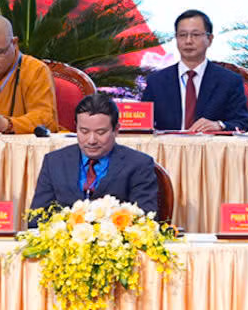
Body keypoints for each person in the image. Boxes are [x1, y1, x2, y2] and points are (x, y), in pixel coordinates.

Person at [30, 93, 162, 217]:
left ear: (116, 130)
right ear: (76, 128)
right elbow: (36, 218)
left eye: (100, 132)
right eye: (84, 131)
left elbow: (145, 219)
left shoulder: (139, 164)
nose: (91, 140)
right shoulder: (54, 162)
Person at [141, 9, 248, 132]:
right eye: (182, 35)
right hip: (167, 144)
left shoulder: (229, 81)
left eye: (195, 35)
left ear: (209, 39)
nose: (188, 41)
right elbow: (143, 124)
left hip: (210, 144)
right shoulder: (156, 81)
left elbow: (242, 124)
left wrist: (219, 125)